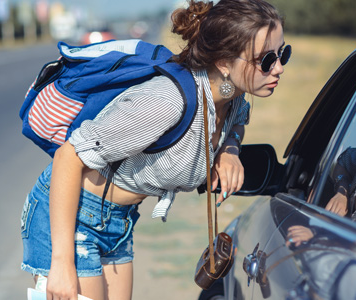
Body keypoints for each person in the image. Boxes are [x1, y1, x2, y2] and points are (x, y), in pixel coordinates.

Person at [19, 0, 289, 299]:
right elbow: (68, 156)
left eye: (282, 54)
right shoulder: (166, 103)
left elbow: (238, 120)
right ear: (224, 63)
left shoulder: (231, 96)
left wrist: (230, 151)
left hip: (119, 221)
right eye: (265, 60)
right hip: (75, 215)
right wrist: (61, 263)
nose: (278, 68)